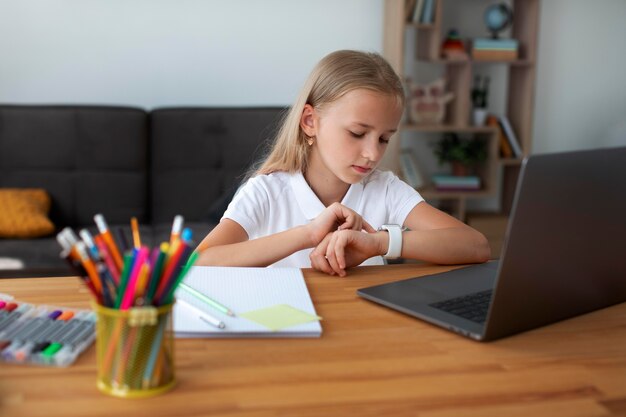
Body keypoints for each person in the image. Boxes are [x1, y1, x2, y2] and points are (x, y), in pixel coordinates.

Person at [196, 50, 490, 276]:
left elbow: (476, 245)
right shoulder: (266, 192)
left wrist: (381, 244)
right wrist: (308, 235)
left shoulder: (384, 188)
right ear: (311, 122)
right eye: (357, 133)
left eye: (384, 139)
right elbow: (198, 266)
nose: (373, 153)